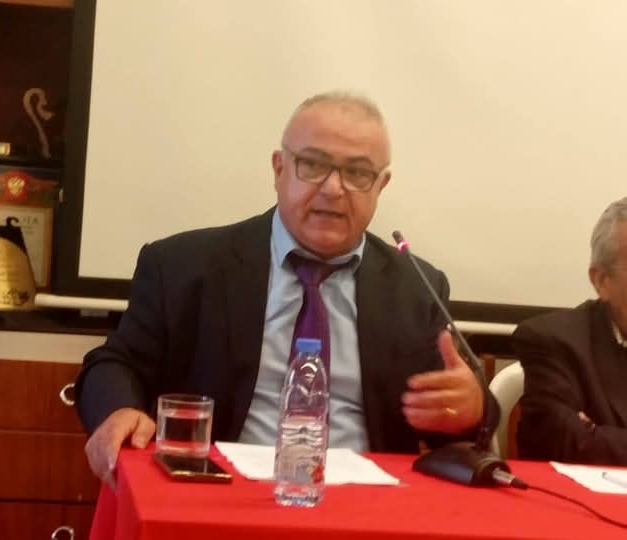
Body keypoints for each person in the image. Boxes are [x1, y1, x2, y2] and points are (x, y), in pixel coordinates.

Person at [76, 92, 497, 487]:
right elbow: (115, 363)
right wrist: (118, 409)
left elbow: (454, 418)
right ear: (279, 169)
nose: (333, 188)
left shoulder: (416, 287)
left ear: (380, 186)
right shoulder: (184, 266)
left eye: (357, 173)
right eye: (312, 165)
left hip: (366, 501)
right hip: (218, 489)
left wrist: (471, 410)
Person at [514, 196, 627, 465]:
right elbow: (562, 443)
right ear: (601, 281)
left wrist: (601, 436)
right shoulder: (553, 340)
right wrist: (588, 438)